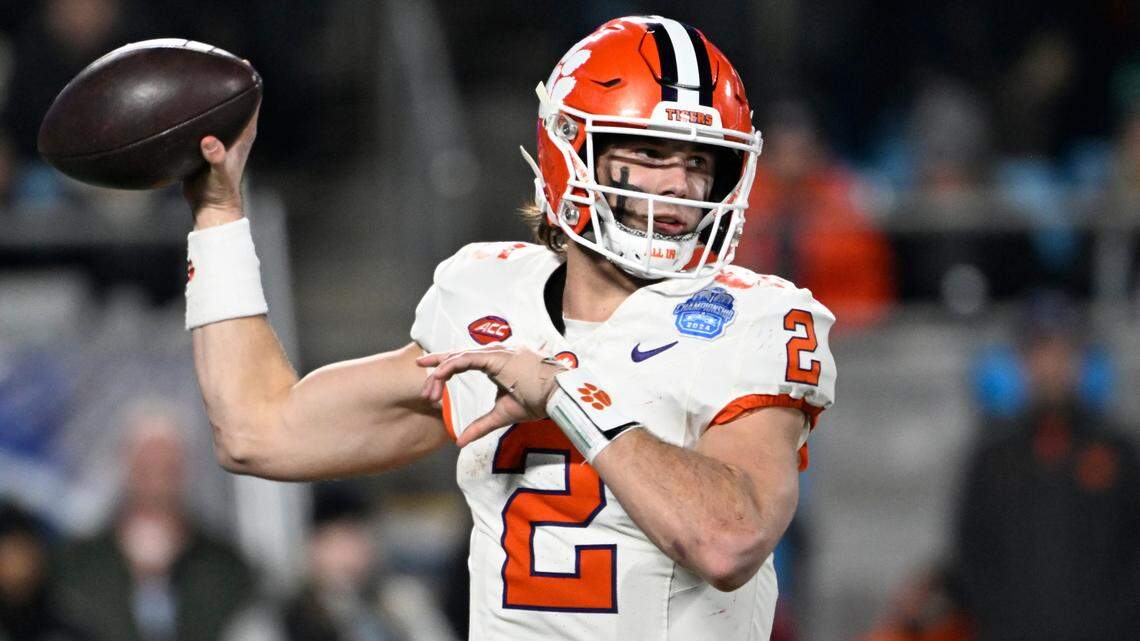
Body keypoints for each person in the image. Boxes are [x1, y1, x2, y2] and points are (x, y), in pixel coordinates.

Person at [182, 15, 836, 641]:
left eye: (700, 161)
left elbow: (726, 539)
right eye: (650, 152)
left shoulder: (752, 319)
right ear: (570, 151)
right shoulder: (488, 298)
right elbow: (257, 430)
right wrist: (217, 210)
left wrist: (562, 396)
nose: (680, 184)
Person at [51, 406, 257, 641]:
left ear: (187, 471)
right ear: (124, 467)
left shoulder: (227, 568)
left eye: (168, 469)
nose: (157, 485)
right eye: (146, 469)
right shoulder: (76, 566)